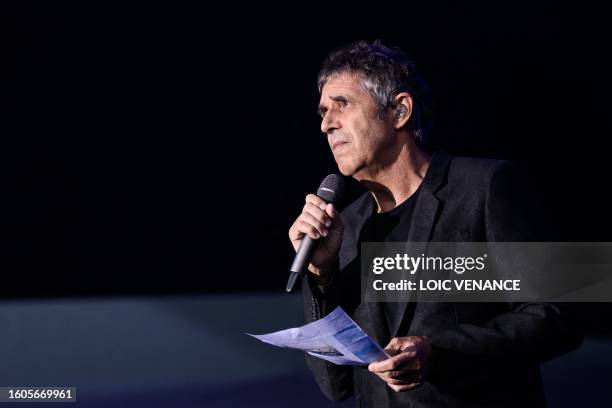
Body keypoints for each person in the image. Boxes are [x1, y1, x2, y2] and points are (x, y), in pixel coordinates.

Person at [288, 40, 582, 407]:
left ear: (399, 110)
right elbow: (336, 385)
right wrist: (321, 275)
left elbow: (558, 315)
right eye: (322, 112)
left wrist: (439, 352)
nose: (326, 124)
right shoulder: (347, 226)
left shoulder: (486, 187)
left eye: (342, 105)